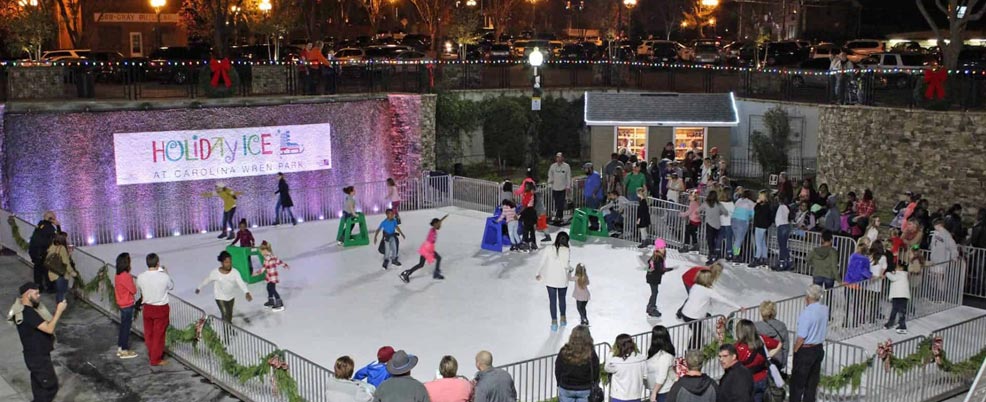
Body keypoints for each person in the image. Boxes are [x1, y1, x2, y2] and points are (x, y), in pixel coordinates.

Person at [12, 282, 67, 402]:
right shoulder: (28, 313)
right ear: (27, 294)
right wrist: (59, 311)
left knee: (39, 388)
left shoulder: (26, 310)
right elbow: (49, 329)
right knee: (49, 387)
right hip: (38, 358)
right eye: (36, 293)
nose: (39, 295)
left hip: (34, 356)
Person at [681, 270, 744, 349]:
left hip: (686, 313)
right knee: (698, 336)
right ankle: (692, 352)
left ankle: (693, 351)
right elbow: (723, 299)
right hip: (694, 316)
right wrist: (738, 307)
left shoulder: (695, 286)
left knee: (697, 333)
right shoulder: (708, 291)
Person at [789, 285, 828, 402]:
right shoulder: (824, 309)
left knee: (797, 384)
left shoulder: (807, 312)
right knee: (811, 384)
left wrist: (795, 350)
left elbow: (801, 336)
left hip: (806, 349)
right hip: (818, 348)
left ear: (808, 297)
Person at [195, 251, 253, 323]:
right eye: (226, 262)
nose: (229, 264)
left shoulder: (235, 272)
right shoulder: (215, 273)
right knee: (225, 314)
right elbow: (207, 279)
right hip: (220, 297)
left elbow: (241, 282)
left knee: (229, 314)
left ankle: (228, 326)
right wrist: (199, 287)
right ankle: (227, 330)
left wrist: (246, 292)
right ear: (222, 263)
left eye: (230, 262)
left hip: (231, 296)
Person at [136, 253, 173, 366]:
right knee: (159, 335)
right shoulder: (164, 277)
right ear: (158, 263)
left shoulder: (141, 276)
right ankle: (155, 358)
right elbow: (171, 286)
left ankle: (152, 352)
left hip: (147, 307)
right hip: (160, 308)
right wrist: (165, 272)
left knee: (149, 333)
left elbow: (139, 287)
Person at [734, 320, 780, 402]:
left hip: (746, 381)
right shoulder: (761, 340)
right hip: (762, 378)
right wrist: (768, 355)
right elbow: (778, 344)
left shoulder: (738, 347)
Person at [536, 232, 573, 331]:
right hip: (562, 280)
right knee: (562, 299)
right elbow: (566, 265)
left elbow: (542, 261)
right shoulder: (566, 250)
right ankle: (563, 319)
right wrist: (571, 268)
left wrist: (538, 273)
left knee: (552, 301)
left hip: (550, 280)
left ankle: (554, 323)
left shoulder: (548, 248)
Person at [555, 325, 600, 402]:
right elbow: (596, 370)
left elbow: (558, 368)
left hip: (566, 388)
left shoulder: (564, 351)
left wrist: (559, 383)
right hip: (585, 389)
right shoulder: (591, 352)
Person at [400, 214, 450, 283]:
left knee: (421, 264)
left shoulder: (433, 229)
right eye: (439, 224)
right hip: (427, 248)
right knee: (437, 258)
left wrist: (443, 218)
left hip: (427, 248)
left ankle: (406, 273)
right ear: (435, 224)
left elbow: (438, 222)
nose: (440, 226)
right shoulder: (432, 231)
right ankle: (436, 273)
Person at [606, 334, 647, 402]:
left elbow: (607, 368)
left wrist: (610, 354)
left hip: (618, 396)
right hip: (635, 395)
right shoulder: (641, 359)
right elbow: (645, 375)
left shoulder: (615, 361)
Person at [114, 252, 139, 359]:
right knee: (126, 327)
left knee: (123, 326)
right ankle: (124, 349)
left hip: (121, 304)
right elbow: (133, 290)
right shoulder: (126, 276)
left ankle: (120, 347)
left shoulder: (117, 275)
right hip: (127, 304)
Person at [28, 211, 61, 292]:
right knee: (47, 270)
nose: (55, 219)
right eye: (54, 217)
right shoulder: (49, 228)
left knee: (38, 270)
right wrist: (58, 225)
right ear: (51, 219)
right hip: (42, 252)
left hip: (34, 252)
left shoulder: (40, 225)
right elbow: (58, 238)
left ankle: (39, 287)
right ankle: (50, 288)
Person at [843, 242, 872, 328]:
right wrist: (870, 275)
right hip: (857, 284)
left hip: (848, 282)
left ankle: (845, 320)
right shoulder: (865, 260)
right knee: (856, 303)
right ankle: (855, 322)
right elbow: (864, 271)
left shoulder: (852, 256)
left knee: (847, 303)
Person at [754, 301, 790, 372]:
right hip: (777, 359)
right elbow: (786, 346)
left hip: (761, 360)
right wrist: (783, 362)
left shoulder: (755, 326)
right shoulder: (782, 326)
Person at [645, 325, 678, 402]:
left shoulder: (665, 356)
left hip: (664, 391)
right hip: (659, 391)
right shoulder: (657, 354)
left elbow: (662, 376)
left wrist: (654, 392)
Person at [256, 241, 289, 311]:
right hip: (269, 277)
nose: (261, 253)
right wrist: (257, 273)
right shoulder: (265, 259)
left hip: (273, 277)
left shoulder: (273, 258)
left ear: (265, 251)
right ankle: (271, 301)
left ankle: (280, 303)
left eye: (261, 252)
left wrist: (285, 265)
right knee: (268, 288)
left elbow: (279, 262)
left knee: (273, 290)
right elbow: (263, 268)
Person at [44, 232, 77, 303]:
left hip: (53, 273)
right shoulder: (62, 248)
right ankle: (60, 308)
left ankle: (58, 305)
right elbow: (66, 262)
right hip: (61, 274)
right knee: (62, 292)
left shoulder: (52, 246)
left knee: (59, 292)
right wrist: (72, 272)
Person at [884, 257, 911, 334]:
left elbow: (893, 278)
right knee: (895, 310)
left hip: (899, 295)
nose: (895, 268)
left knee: (900, 311)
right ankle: (890, 323)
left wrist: (887, 273)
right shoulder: (902, 274)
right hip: (900, 295)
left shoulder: (901, 274)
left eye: (897, 266)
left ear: (901, 268)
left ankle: (902, 326)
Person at [701, 191, 728, 264]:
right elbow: (725, 212)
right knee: (716, 240)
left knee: (710, 240)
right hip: (717, 225)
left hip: (709, 224)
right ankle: (716, 254)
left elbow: (699, 210)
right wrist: (719, 213)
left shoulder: (706, 203)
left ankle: (712, 255)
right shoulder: (719, 204)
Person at [646, 240, 671, 318]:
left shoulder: (658, 257)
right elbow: (658, 269)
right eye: (660, 248)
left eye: (663, 247)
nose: (662, 249)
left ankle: (651, 306)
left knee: (655, 292)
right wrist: (665, 270)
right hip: (653, 278)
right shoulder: (657, 258)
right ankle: (651, 309)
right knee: (655, 292)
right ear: (657, 248)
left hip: (654, 277)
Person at [548, 152, 572, 224]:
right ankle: (559, 216)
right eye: (557, 157)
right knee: (557, 203)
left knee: (560, 203)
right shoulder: (552, 166)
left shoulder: (566, 166)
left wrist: (568, 186)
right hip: (555, 188)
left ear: (562, 158)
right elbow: (550, 175)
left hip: (563, 188)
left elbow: (568, 177)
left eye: (560, 157)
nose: (558, 159)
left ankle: (558, 216)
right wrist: (550, 183)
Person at [732, 190, 755, 262]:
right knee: (739, 239)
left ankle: (735, 253)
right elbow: (753, 214)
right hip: (743, 220)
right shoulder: (751, 203)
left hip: (734, 219)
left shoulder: (738, 200)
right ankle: (735, 255)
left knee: (737, 239)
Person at [751, 191, 772, 268]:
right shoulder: (768, 206)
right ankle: (764, 257)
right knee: (763, 243)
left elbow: (756, 210)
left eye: (761, 196)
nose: (759, 197)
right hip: (763, 226)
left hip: (760, 226)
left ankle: (757, 258)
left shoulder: (762, 206)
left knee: (758, 243)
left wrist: (757, 203)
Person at [774, 194, 793, 271]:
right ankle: (789, 261)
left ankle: (782, 262)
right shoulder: (786, 207)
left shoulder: (782, 207)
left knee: (782, 245)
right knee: (784, 245)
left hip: (782, 226)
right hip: (785, 225)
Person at [718, 189, 736, 260]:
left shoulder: (720, 203)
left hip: (721, 222)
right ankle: (729, 253)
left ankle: (717, 251)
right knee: (729, 239)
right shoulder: (731, 204)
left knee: (719, 238)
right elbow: (734, 213)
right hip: (729, 223)